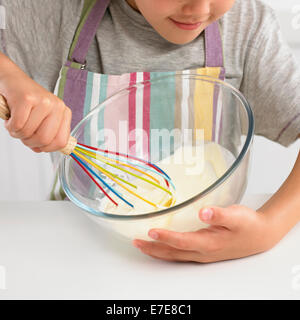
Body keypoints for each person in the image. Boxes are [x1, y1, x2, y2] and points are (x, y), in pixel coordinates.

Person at [0, 0, 299, 263]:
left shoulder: (246, 30)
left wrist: (271, 225)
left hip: (213, 255)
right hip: (80, 248)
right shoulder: (57, 11)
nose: (200, 8)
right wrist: (8, 77)